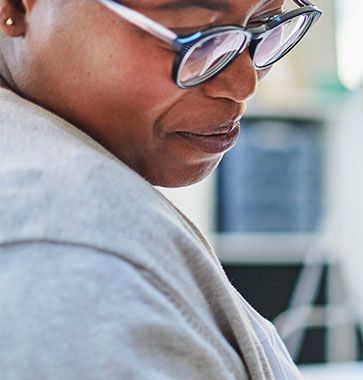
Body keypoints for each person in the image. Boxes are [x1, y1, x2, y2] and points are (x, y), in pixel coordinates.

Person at [0, 0, 320, 377]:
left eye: (267, 22)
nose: (243, 84)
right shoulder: (67, 254)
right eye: (191, 35)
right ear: (18, 9)